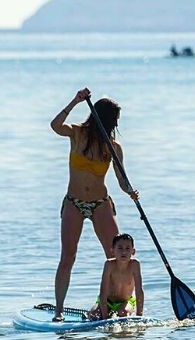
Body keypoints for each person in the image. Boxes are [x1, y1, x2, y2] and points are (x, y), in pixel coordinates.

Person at [50, 88, 139, 321]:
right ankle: (59, 311)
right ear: (104, 118)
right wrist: (75, 101)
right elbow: (55, 125)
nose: (116, 124)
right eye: (114, 120)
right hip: (74, 202)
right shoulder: (77, 133)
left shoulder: (113, 147)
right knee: (68, 256)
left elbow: (122, 179)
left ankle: (118, 303)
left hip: (100, 203)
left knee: (119, 256)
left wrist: (130, 191)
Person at [88, 233, 144, 320]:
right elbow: (103, 291)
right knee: (94, 315)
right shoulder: (109, 265)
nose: (124, 252)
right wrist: (105, 317)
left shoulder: (135, 265)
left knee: (123, 313)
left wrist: (139, 315)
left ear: (133, 251)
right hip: (107, 301)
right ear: (113, 250)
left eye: (127, 248)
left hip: (126, 301)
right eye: (120, 248)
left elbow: (139, 291)